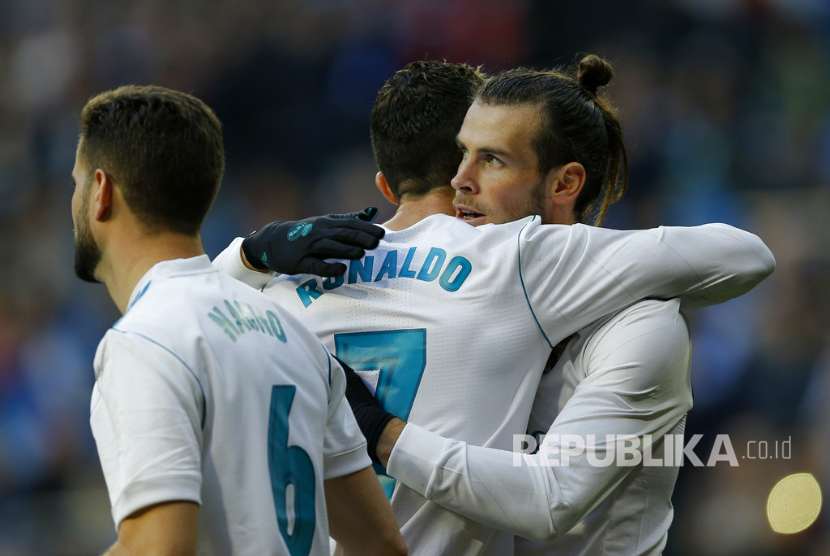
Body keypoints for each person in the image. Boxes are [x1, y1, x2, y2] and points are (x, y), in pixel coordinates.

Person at [213, 59, 775, 555]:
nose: (459, 181)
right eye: (462, 155)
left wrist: (380, 431)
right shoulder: (465, 281)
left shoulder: (640, 328)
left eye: (492, 160)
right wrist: (252, 252)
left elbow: (548, 502)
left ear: (565, 183)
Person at [72, 85, 406, 556]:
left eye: (76, 183)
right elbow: (382, 544)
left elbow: (159, 547)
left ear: (101, 191)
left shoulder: (145, 341)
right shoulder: (294, 336)